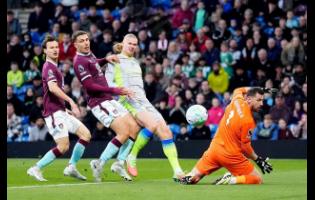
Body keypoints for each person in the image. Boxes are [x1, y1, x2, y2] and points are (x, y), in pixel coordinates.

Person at [106, 33, 185, 181]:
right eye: (129, 43)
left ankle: (177, 171)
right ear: (123, 43)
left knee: (166, 132)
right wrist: (121, 90)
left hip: (143, 100)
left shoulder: (136, 62)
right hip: (127, 100)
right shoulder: (114, 60)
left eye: (135, 44)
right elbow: (107, 83)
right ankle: (132, 156)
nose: (132, 46)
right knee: (152, 124)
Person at [71, 31, 140, 182]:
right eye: (82, 41)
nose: (86, 42)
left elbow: (95, 66)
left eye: (87, 39)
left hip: (108, 99)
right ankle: (99, 163)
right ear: (75, 44)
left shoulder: (89, 54)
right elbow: (90, 86)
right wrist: (115, 90)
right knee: (123, 132)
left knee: (134, 128)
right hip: (98, 102)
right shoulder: (78, 62)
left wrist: (106, 59)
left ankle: (119, 163)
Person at [27, 35, 91, 182]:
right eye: (51, 48)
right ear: (45, 51)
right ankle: (36, 168)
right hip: (54, 113)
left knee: (86, 134)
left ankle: (71, 167)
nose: (55, 50)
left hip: (60, 111)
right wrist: (71, 102)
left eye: (56, 47)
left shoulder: (55, 66)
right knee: (63, 146)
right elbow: (52, 88)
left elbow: (52, 93)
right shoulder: (48, 67)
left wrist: (65, 109)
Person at [180, 87, 273, 185]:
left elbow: (239, 90)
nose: (261, 104)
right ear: (249, 99)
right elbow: (245, 147)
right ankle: (230, 179)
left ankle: (184, 176)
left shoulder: (237, 100)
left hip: (214, 150)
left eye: (262, 100)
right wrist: (258, 160)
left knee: (193, 177)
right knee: (257, 179)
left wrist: (261, 88)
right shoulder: (248, 121)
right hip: (231, 156)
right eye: (259, 100)